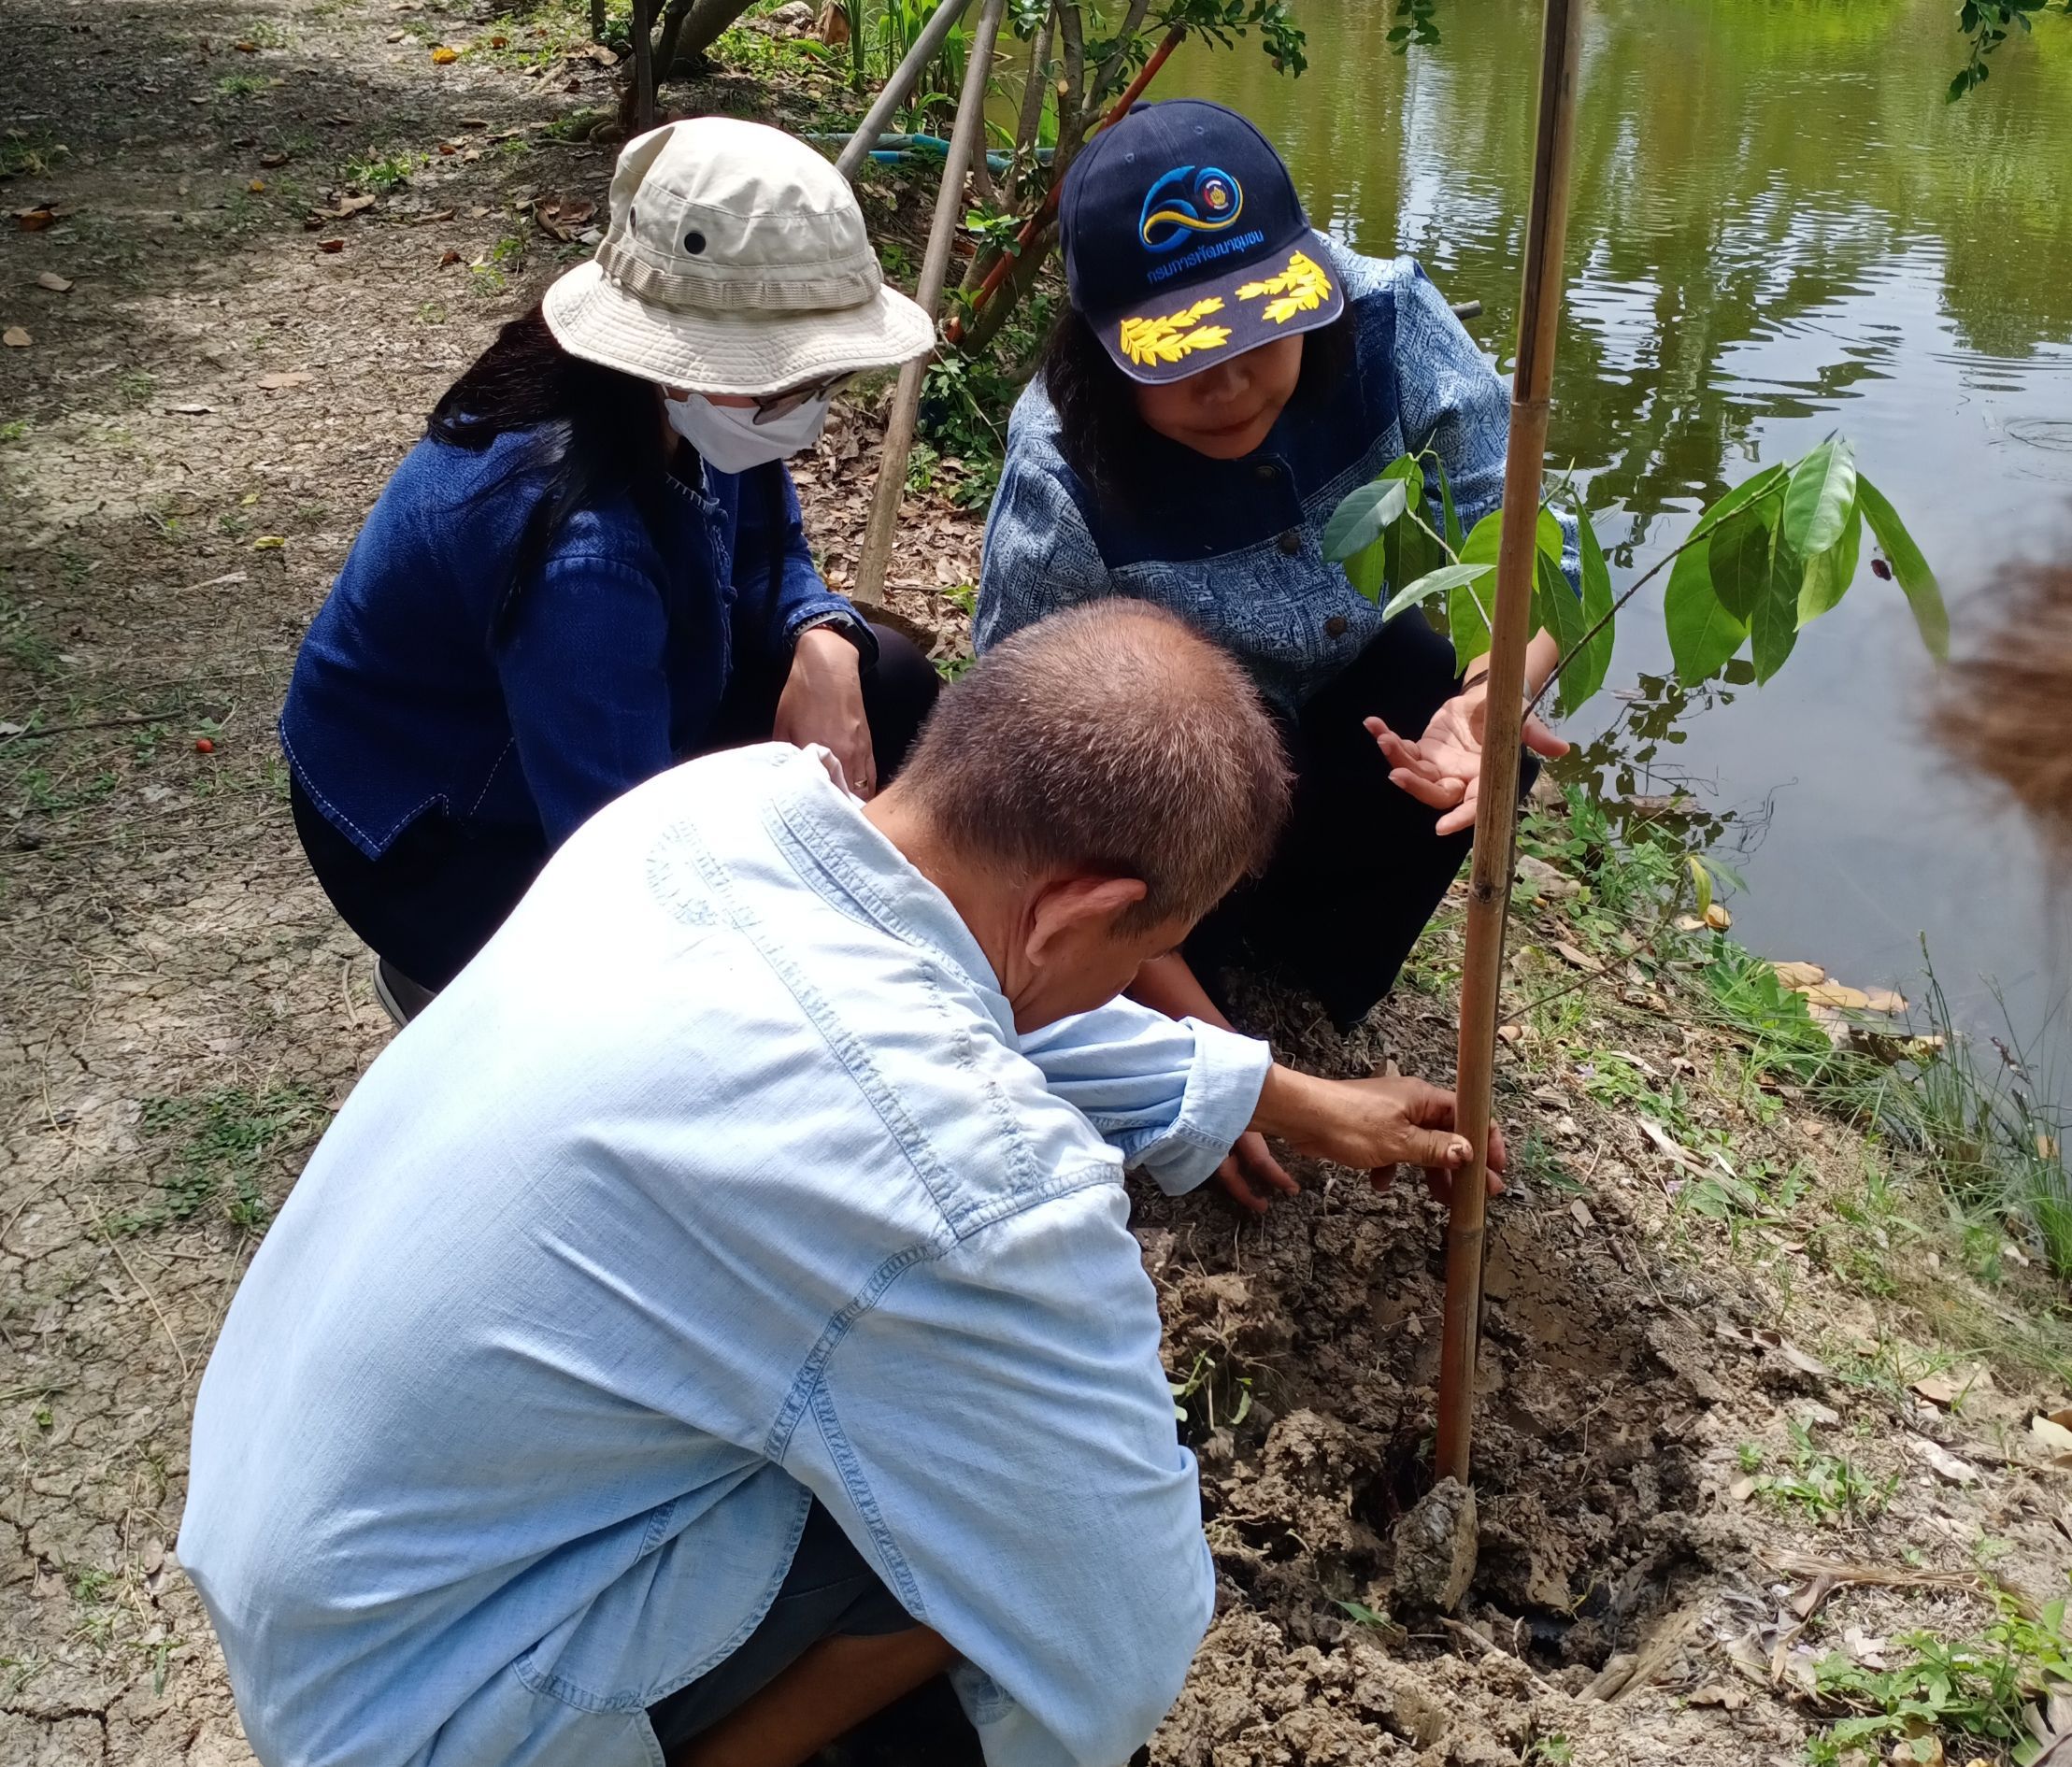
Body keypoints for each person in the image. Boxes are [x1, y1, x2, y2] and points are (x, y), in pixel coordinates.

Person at [180, 603, 1506, 1767]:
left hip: (300, 1559)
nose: (1132, 981)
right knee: (1001, 1531)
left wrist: (1267, 1090)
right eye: (1146, 948)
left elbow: (961, 995)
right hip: (426, 1710)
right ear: (1075, 910)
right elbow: (1123, 1638)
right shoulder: (977, 1183)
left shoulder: (718, 808)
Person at [977, 99, 1572, 1209]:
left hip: (1335, 748)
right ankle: (1188, 976)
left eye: (1262, 328)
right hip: (1174, 807)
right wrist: (1214, 1076)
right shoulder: (1061, 480)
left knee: (1433, 687)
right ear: (1102, 352)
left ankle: (1302, 964)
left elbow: (1530, 532)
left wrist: (1494, 701)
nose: (1232, 380)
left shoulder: (1389, 318)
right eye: (1184, 354)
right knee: (1155, 747)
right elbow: (1028, 801)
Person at [281, 117, 939, 1022]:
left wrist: (817, 636)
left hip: (592, 717)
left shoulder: (680, 404)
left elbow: (767, 547)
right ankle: (455, 975)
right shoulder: (584, 557)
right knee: (710, 992)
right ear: (682, 365)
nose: (810, 409)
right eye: (792, 382)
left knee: (883, 679)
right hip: (437, 831)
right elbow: (622, 849)